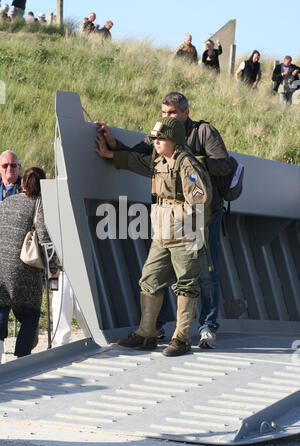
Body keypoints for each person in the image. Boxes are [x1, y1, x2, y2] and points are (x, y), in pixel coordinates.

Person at [96, 92, 232, 349]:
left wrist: (193, 163)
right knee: (151, 277)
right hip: (164, 230)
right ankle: (147, 333)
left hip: (190, 228)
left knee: (198, 278)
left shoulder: (198, 143)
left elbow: (203, 193)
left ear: (184, 114)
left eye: (171, 114)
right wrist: (111, 151)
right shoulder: (161, 158)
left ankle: (191, 334)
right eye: (164, 113)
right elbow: (140, 159)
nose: (155, 142)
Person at [0, 167, 58, 363]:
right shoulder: (40, 203)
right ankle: (21, 359)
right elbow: (44, 237)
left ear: (23, 183)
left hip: (1, 267)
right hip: (24, 268)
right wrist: (53, 267)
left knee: (2, 307)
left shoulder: (7, 202)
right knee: (31, 315)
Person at [51, 270, 89, 347]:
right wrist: (53, 268)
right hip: (60, 271)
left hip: (82, 270)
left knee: (83, 309)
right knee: (61, 308)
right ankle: (61, 344)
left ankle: (95, 338)